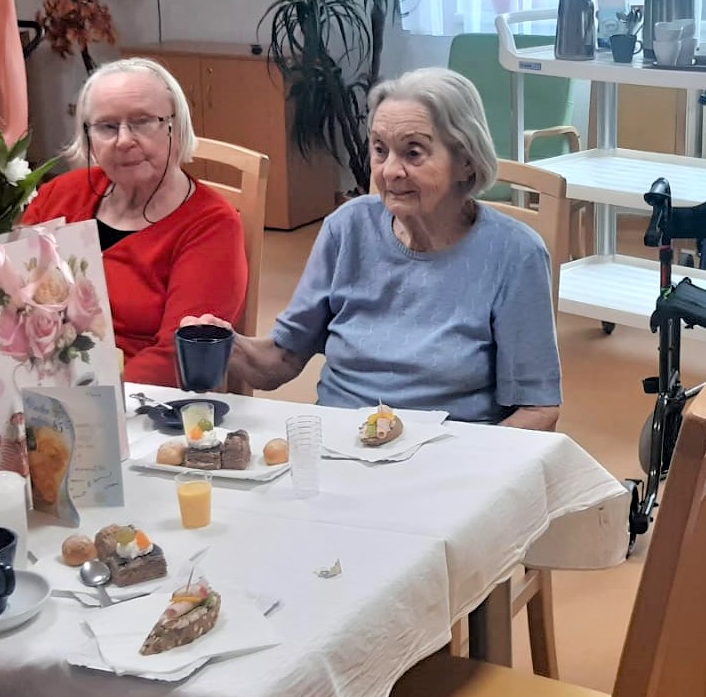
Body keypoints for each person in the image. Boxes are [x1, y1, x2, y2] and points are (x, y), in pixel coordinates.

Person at [188, 67, 561, 429]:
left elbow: (538, 409)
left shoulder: (515, 254)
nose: (389, 171)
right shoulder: (348, 228)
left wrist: (475, 463)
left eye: (413, 153)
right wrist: (222, 342)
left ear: (466, 161)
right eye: (380, 150)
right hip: (338, 443)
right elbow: (282, 359)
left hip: (449, 452)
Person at [20, 58, 247, 387]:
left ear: (176, 127)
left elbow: (177, 356)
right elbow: (11, 296)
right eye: (107, 126)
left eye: (142, 122)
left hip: (138, 398)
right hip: (34, 382)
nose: (124, 140)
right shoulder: (61, 194)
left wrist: (94, 400)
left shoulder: (212, 224)